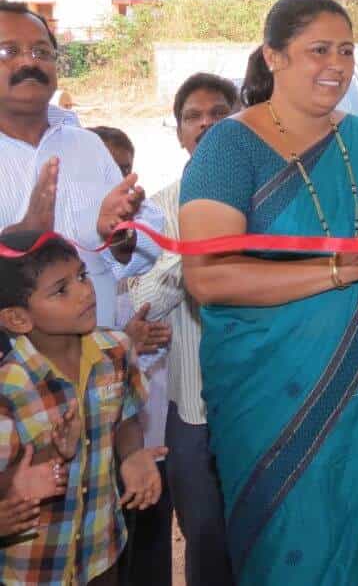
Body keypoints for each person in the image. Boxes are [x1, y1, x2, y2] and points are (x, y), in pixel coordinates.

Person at [178, 0, 358, 586]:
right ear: (274, 56)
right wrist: (338, 270)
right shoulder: (228, 147)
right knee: (285, 554)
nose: (337, 65)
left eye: (346, 50)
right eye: (318, 49)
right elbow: (208, 275)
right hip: (270, 399)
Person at [0, 230, 167, 586]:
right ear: (18, 319)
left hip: (101, 555)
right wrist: (48, 455)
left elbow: (124, 419)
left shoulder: (117, 350)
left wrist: (134, 453)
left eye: (81, 276)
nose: (84, 290)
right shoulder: (9, 387)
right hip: (35, 570)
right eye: (61, 290)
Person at [124, 72, 237, 586]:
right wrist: (192, 255)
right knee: (207, 542)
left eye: (220, 112)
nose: (207, 123)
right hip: (193, 412)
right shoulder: (158, 210)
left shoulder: (269, 199)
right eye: (194, 115)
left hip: (268, 402)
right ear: (178, 131)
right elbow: (141, 307)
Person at [0, 0, 165, 333]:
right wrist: (15, 243)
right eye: (9, 51)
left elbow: (133, 254)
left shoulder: (87, 145)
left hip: (98, 365)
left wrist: (119, 236)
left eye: (42, 52)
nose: (29, 62)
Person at [90, 128, 173, 586]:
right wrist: (128, 340)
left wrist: (135, 341)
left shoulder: (140, 234)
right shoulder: (79, 261)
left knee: (146, 546)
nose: (117, 179)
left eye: (124, 168)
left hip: (140, 437)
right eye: (107, 169)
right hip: (92, 447)